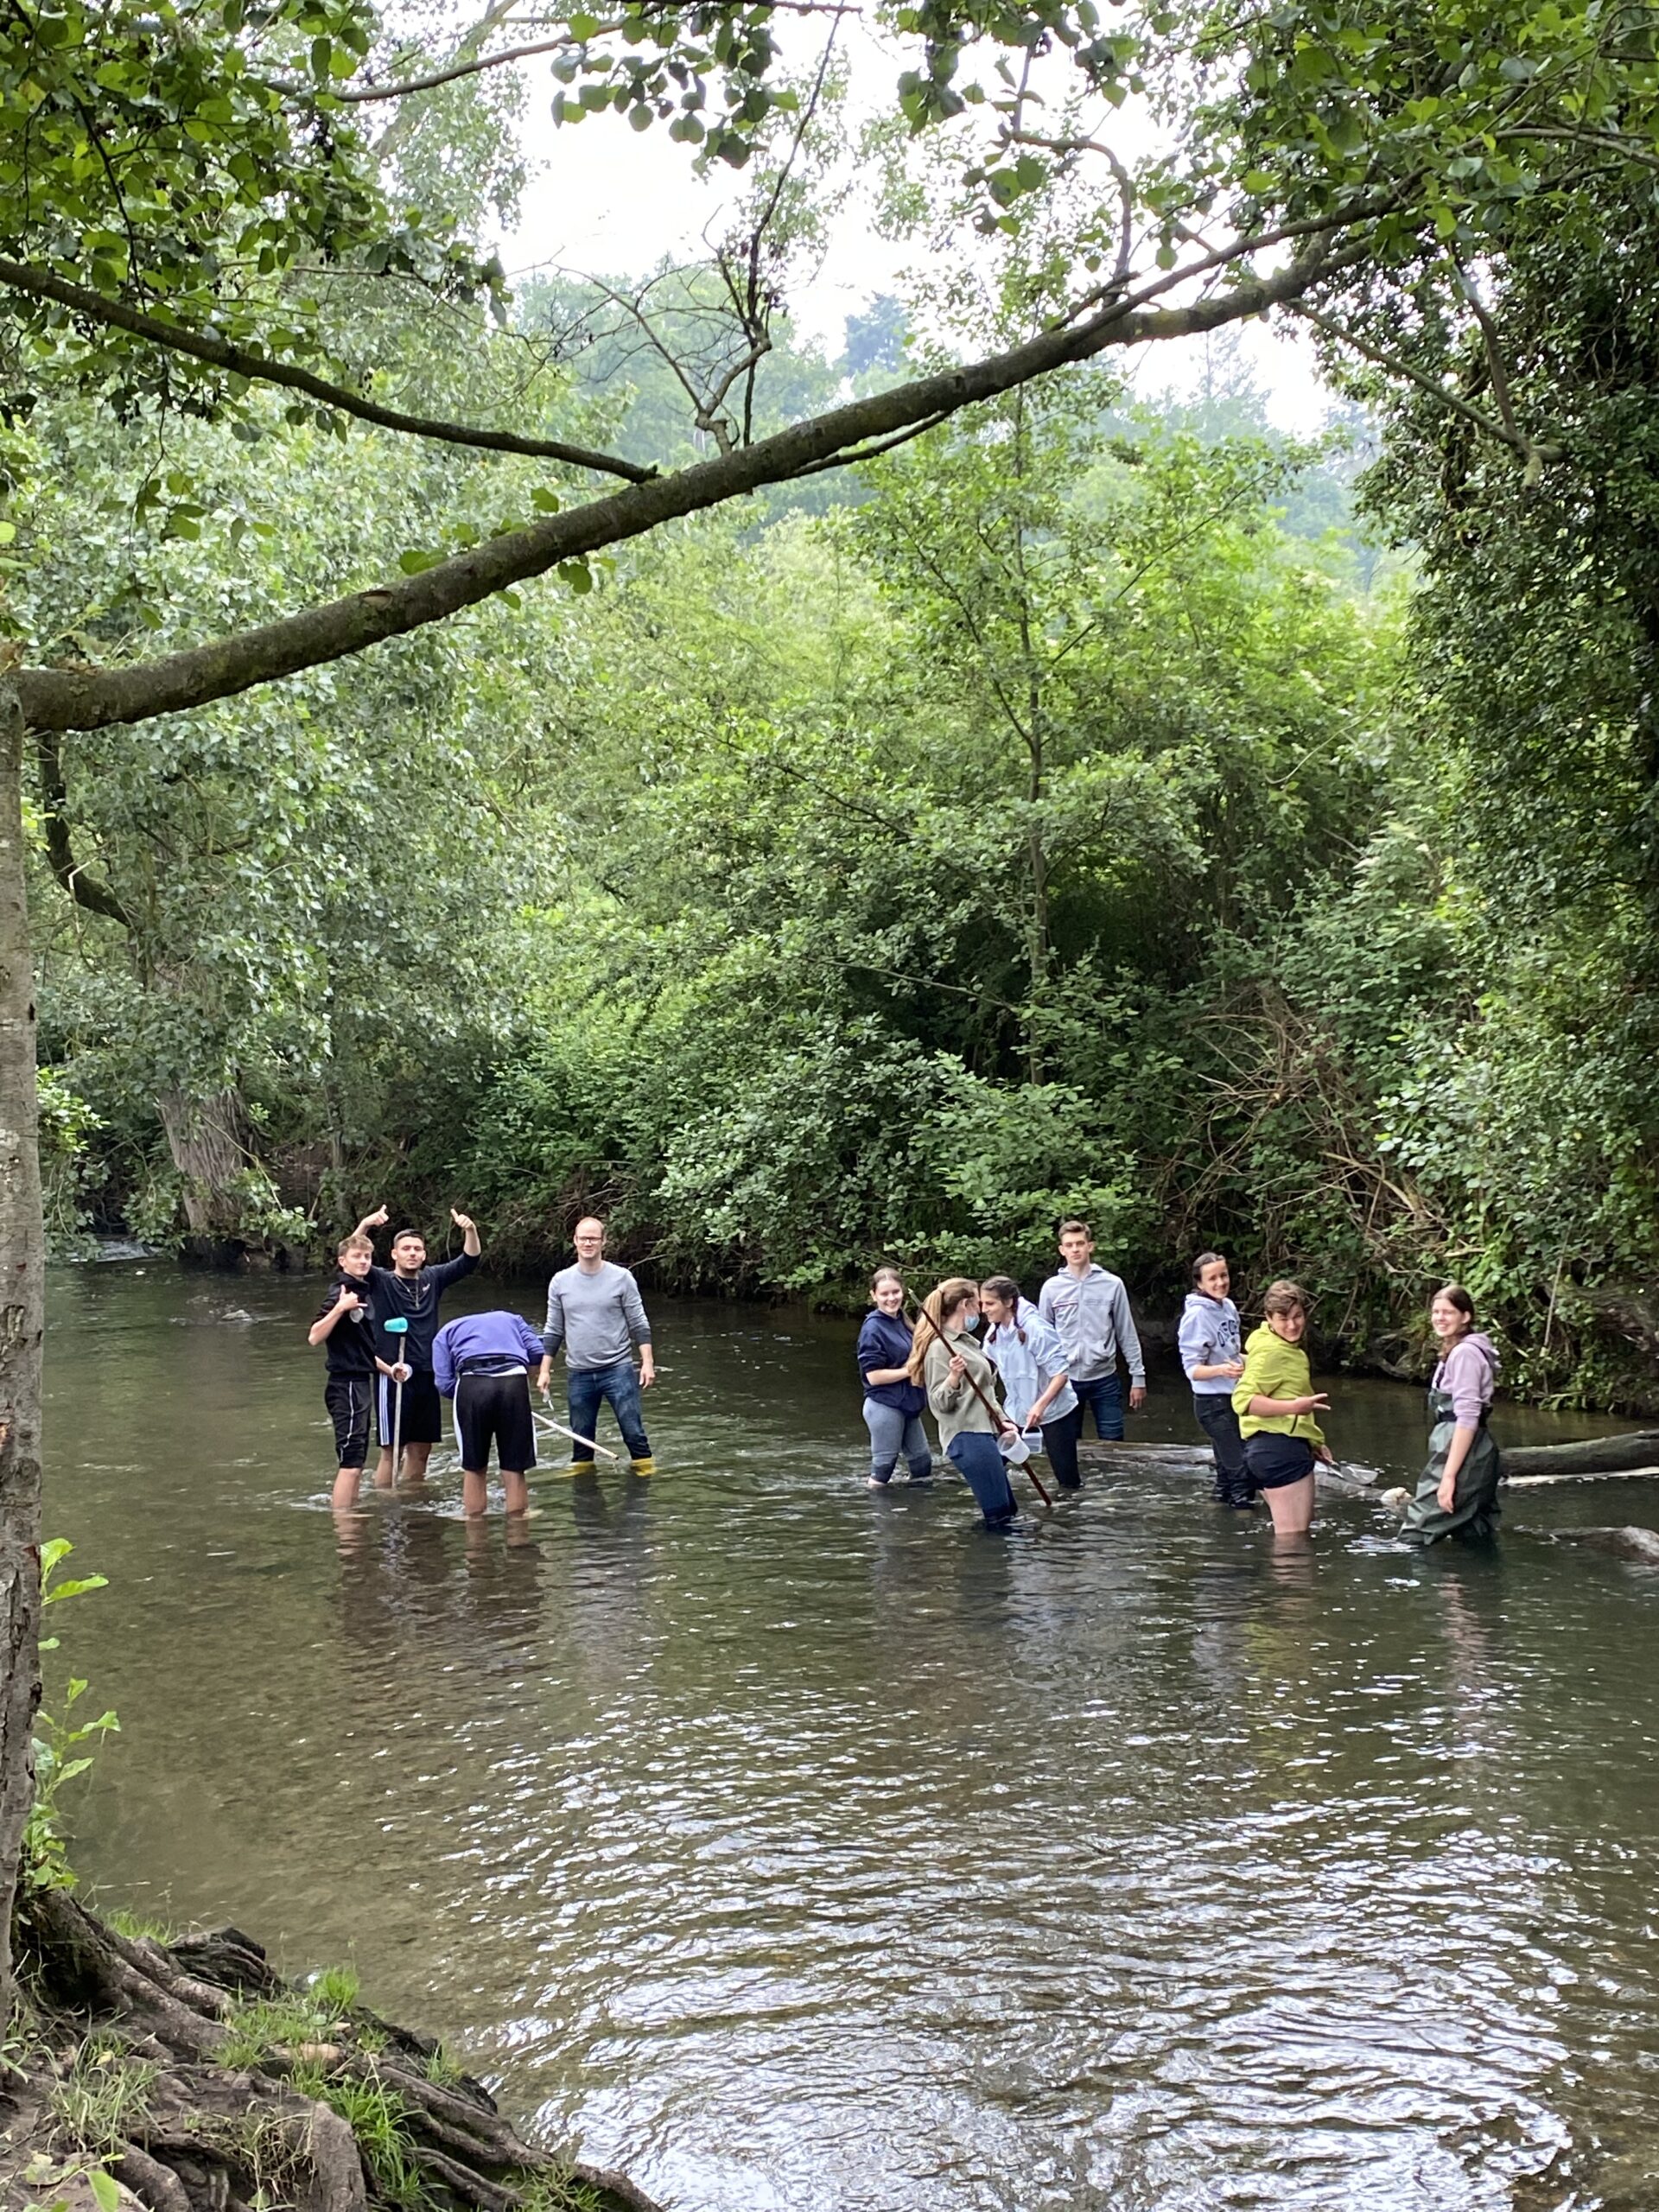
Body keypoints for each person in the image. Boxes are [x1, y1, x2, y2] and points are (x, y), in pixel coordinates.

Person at [353, 1203, 482, 1485]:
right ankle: (388, 1505)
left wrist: (470, 1230)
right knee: (392, 1449)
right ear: (394, 1254)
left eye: (417, 1249)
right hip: (393, 1372)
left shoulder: (432, 1278)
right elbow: (355, 1259)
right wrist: (366, 1225)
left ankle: (414, 1498)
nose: (412, 1253)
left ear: (424, 1255)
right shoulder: (381, 1280)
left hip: (428, 1372)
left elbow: (469, 1260)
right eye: (406, 1248)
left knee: (422, 1448)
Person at [537, 1217, 656, 1472]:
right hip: (579, 1372)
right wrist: (545, 1370)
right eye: (583, 1238)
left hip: (618, 1369)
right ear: (575, 1241)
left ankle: (646, 1472)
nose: (588, 1243)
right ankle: (583, 1482)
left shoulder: (622, 1278)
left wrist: (647, 1363)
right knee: (581, 1439)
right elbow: (553, 1329)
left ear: (603, 1242)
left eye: (593, 1238)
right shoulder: (560, 1281)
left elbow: (639, 1323)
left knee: (633, 1432)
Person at [906, 1278, 1020, 1529]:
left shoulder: (967, 1341)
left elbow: (986, 1391)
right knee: (998, 1515)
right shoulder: (939, 1348)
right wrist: (954, 1378)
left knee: (1009, 1510)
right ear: (964, 1305)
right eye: (978, 1303)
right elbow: (938, 1404)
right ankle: (984, 1563)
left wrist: (1003, 1421)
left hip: (986, 1433)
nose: (981, 1309)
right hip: (967, 1437)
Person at [1398, 1284, 1503, 1544]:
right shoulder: (1456, 1350)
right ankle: (1469, 1585)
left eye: (1448, 1312)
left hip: (1463, 1449)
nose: (1440, 1318)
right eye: (1436, 1312)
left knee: (1416, 1534)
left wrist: (1448, 1477)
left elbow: (1467, 1417)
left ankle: (1426, 1584)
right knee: (1472, 1531)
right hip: (1464, 1447)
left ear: (1465, 1317)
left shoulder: (1465, 1354)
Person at [1231, 1280, 1332, 1535]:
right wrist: (1293, 1407)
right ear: (1269, 1317)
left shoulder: (1281, 1348)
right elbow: (1242, 1400)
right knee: (1293, 1542)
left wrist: (1314, 1442)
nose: (1292, 1325)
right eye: (1283, 1318)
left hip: (1276, 1448)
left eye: (1298, 1316)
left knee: (1297, 1535)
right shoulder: (1271, 1352)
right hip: (1278, 1450)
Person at [1036, 1219, 1146, 1440]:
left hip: (1104, 1377)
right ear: (1062, 1250)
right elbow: (1042, 1339)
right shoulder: (1051, 1288)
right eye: (1069, 1245)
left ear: (1090, 1246)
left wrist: (1138, 1378)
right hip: (1066, 1379)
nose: (1075, 1249)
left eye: (1080, 1243)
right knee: (1068, 1444)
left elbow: (1126, 1333)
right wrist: (1041, 1384)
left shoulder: (1112, 1284)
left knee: (1114, 1443)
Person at [433, 1308, 548, 1519]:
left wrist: (462, 1400)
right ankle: (518, 1532)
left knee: (474, 1467)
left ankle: (476, 1536)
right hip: (513, 1382)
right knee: (515, 1468)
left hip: (471, 1384)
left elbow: (443, 1382)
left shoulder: (446, 1331)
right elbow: (537, 1351)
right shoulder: (514, 1319)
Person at [307, 1231, 391, 1513]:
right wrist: (340, 1309)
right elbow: (314, 1337)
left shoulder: (363, 1292)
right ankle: (345, 1527)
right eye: (357, 1256)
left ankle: (354, 1519)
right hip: (346, 1386)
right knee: (351, 1463)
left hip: (361, 1383)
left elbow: (362, 1349)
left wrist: (389, 1370)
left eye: (367, 1256)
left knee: (358, 1461)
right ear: (343, 1261)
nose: (364, 1261)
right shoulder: (340, 1293)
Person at [979, 1275, 1083, 1491]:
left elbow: (1061, 1374)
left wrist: (1040, 1405)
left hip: (1054, 1410)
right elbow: (985, 1366)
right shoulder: (994, 1332)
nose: (984, 1309)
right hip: (1017, 1410)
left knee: (1067, 1478)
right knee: (995, 1463)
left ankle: (1071, 1513)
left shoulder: (1036, 1328)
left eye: (990, 1304)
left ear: (1008, 1302)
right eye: (982, 1304)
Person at [1179, 1250, 1252, 1508]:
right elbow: (1192, 1370)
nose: (1220, 1283)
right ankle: (1245, 1523)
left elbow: (1231, 1352)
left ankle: (1218, 1512)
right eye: (1212, 1279)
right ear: (1200, 1283)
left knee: (1225, 1473)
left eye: (1224, 1275)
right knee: (1242, 1469)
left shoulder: (1229, 1306)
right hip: (1212, 1404)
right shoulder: (1196, 1316)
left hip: (1235, 1397)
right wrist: (1222, 1370)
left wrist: (1255, 1360)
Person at [855, 1267, 933, 1487]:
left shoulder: (903, 1320)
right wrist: (911, 1370)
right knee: (883, 1468)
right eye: (885, 1294)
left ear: (903, 1292)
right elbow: (873, 1377)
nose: (891, 1298)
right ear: (874, 1296)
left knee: (922, 1465)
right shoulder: (873, 1329)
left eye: (896, 1292)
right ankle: (876, 1514)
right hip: (885, 1406)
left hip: (909, 1404)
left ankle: (918, 1512)